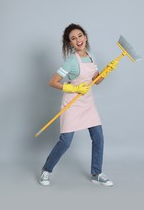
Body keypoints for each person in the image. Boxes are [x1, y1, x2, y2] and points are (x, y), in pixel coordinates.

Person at [39, 23, 118, 186]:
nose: (78, 40)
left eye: (80, 35)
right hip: (72, 104)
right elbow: (52, 82)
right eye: (73, 38)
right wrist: (73, 88)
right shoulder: (70, 61)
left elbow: (96, 81)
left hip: (88, 103)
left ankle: (96, 173)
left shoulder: (91, 57)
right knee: (66, 141)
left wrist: (107, 71)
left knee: (98, 137)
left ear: (85, 37)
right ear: (70, 43)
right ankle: (46, 170)